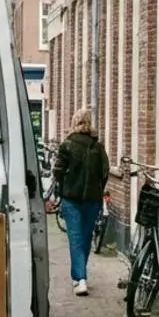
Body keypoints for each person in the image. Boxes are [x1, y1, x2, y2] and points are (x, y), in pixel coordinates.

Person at [51, 108, 109, 296]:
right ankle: (80, 277)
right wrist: (97, 189)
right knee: (85, 239)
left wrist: (61, 187)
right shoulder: (98, 146)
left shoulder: (67, 145)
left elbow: (57, 170)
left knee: (75, 239)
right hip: (92, 200)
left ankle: (80, 279)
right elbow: (105, 172)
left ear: (74, 122)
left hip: (71, 199)